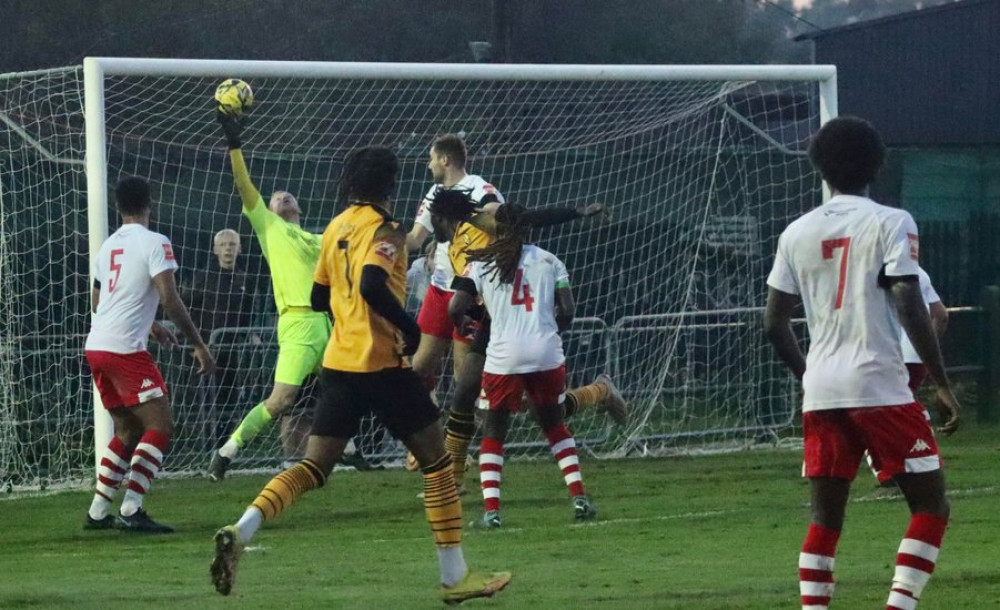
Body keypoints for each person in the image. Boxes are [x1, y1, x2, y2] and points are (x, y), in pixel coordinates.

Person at [210, 146, 511, 604]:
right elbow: (372, 283)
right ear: (389, 185)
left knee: (313, 466)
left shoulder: (334, 227)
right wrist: (409, 329)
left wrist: (349, 309)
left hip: (339, 364)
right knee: (439, 463)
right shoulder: (383, 227)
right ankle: (456, 578)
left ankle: (241, 528)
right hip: (382, 364)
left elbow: (317, 297)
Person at [762, 116, 961, 610]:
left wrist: (810, 377)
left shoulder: (795, 232)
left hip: (822, 391)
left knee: (825, 521)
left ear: (819, 167)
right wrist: (941, 382)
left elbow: (773, 323)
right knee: (931, 505)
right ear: (876, 165)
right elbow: (909, 302)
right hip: (879, 385)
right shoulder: (892, 221)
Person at [428, 189, 627, 487]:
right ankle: (451, 479)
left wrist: (577, 212)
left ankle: (600, 391)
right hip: (491, 319)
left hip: (517, 315)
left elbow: (529, 218)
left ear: (441, 216)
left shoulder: (483, 217)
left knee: (544, 412)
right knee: (464, 391)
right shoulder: (454, 239)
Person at [449, 205, 597, 528]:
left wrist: (468, 322)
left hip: (504, 356)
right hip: (546, 353)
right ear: (528, 228)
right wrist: (549, 330)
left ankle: (492, 512)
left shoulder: (480, 263)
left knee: (494, 430)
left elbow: (454, 306)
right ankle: (580, 498)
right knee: (554, 425)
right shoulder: (549, 260)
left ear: (496, 228)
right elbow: (568, 310)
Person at [84, 176, 216, 533]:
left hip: (97, 346)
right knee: (161, 425)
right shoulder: (156, 242)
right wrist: (199, 344)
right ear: (149, 206)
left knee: (127, 429)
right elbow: (170, 299)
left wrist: (152, 326)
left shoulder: (107, 246)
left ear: (118, 207)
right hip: (125, 349)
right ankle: (131, 507)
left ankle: (98, 512)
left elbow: (98, 301)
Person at [207, 110, 333, 480]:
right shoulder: (270, 227)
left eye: (286, 195)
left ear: (300, 208)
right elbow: (244, 184)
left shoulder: (318, 238)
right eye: (276, 196)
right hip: (296, 323)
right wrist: (234, 143)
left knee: (347, 388)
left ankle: (353, 450)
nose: (282, 196)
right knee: (281, 401)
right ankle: (227, 451)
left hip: (327, 323)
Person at [868, 266, 948, 492]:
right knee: (904, 408)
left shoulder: (868, 269)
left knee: (873, 413)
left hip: (884, 352)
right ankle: (923, 462)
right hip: (916, 355)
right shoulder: (918, 272)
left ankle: (889, 473)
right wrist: (926, 346)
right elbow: (941, 315)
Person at [182, 228, 262, 443]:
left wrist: (251, 333)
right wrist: (190, 343)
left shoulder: (245, 279)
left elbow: (248, 313)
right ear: (215, 250)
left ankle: (223, 443)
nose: (228, 248)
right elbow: (184, 308)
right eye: (224, 245)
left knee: (230, 398)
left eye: (232, 244)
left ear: (240, 249)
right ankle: (201, 446)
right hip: (206, 349)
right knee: (204, 399)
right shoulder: (203, 278)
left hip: (233, 351)